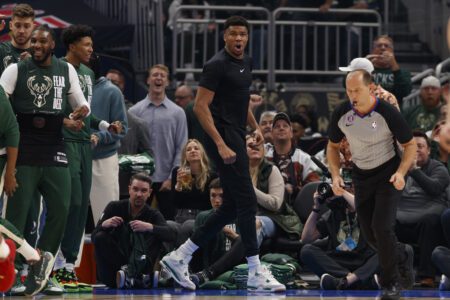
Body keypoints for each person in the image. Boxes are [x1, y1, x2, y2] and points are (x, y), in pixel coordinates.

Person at [160, 16, 285, 292]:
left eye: (243, 34)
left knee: (230, 206)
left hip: (237, 137)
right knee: (247, 201)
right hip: (223, 140)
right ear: (225, 37)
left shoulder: (247, 63)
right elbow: (201, 108)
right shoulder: (215, 65)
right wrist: (219, 143)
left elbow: (239, 102)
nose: (238, 39)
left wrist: (254, 127)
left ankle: (180, 256)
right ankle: (254, 269)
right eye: (233, 34)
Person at [0, 24, 90, 294]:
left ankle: (44, 269)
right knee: (18, 214)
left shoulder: (67, 70)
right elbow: (2, 109)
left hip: (54, 146)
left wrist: (82, 111)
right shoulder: (15, 69)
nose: (36, 46)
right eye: (34, 42)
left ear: (53, 45)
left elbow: (81, 104)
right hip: (23, 148)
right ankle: (14, 271)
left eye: (42, 42)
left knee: (62, 208)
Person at [327, 69, 416, 299]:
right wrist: (335, 175)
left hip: (388, 174)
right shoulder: (342, 112)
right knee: (370, 234)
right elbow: (333, 147)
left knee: (382, 228)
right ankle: (402, 254)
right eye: (348, 91)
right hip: (361, 175)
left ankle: (391, 283)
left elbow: (410, 145)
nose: (352, 95)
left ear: (371, 88)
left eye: (357, 90)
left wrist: (401, 172)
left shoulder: (387, 112)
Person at [53, 24, 123, 293]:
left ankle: (67, 268)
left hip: (84, 142)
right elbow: (55, 109)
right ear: (71, 45)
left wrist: (106, 126)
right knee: (67, 204)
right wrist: (65, 123)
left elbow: (85, 113)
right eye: (87, 44)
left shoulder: (88, 72)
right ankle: (53, 265)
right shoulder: (58, 68)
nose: (91, 50)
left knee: (81, 207)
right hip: (63, 142)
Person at [190, 133, 301, 287]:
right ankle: (196, 268)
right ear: (242, 150)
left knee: (253, 224)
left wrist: (248, 187)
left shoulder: (271, 169)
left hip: (275, 219)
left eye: (258, 145)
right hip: (244, 215)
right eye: (250, 145)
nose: (255, 147)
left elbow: (275, 204)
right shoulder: (236, 170)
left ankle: (211, 273)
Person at [92, 173, 175, 289]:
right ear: (129, 189)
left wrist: (149, 227)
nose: (139, 194)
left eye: (143, 191)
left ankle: (137, 276)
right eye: (135, 189)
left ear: (149, 193)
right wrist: (104, 225)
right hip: (115, 271)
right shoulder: (114, 207)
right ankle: (132, 275)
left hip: (140, 265)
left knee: (156, 232)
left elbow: (170, 234)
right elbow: (94, 237)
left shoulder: (153, 213)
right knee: (100, 236)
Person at [129, 64, 188, 221]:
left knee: (169, 222)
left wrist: (172, 177)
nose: (159, 78)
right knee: (135, 220)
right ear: (148, 80)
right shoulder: (134, 111)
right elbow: (130, 148)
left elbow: (181, 146)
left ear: (167, 82)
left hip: (166, 178)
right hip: (140, 178)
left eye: (163, 75)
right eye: (155, 75)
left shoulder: (178, 113)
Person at [395, 131, 449, 288]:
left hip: (426, 225)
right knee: (382, 221)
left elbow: (434, 188)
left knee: (431, 221)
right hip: (401, 220)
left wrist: (414, 170)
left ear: (429, 150)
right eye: (411, 147)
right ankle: (388, 274)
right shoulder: (398, 169)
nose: (416, 150)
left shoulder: (438, 169)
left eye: (420, 146)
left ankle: (427, 277)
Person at [300, 184, 379, 290]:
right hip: (338, 263)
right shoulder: (332, 213)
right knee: (306, 250)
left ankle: (344, 281)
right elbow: (306, 239)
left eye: (349, 188)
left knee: (395, 248)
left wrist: (342, 192)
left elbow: (362, 209)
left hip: (363, 261)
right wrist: (316, 208)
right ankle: (356, 281)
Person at [90, 55, 128, 225]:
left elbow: (122, 128)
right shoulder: (71, 87)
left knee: (106, 216)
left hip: (102, 159)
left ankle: (108, 252)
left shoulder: (112, 91)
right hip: (74, 157)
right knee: (70, 217)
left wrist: (100, 136)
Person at [265, 112, 320, 205]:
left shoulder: (304, 159)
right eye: (277, 126)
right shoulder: (264, 155)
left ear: (291, 133)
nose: (281, 128)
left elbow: (313, 188)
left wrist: (294, 190)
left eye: (285, 126)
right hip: (267, 206)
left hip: (296, 210)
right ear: (272, 133)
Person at [169, 139, 216, 246]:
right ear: (185, 155)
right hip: (181, 216)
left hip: (201, 218)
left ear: (202, 153)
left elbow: (211, 203)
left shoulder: (212, 175)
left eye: (196, 148)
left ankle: (178, 258)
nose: (192, 151)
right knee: (167, 226)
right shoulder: (178, 172)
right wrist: (179, 185)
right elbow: (174, 203)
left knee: (188, 226)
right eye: (188, 149)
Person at [367, 35, 412, 107]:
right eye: (379, 45)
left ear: (392, 51)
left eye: (386, 46)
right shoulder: (365, 71)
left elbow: (405, 91)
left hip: (392, 113)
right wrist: (363, 66)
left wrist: (394, 65)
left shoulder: (403, 73)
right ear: (373, 50)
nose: (383, 48)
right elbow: (347, 83)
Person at [0, 3, 34, 74]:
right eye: (18, 26)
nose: (21, 31)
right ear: (11, 25)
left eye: (26, 26)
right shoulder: (1, 50)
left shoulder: (40, 54)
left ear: (33, 27)